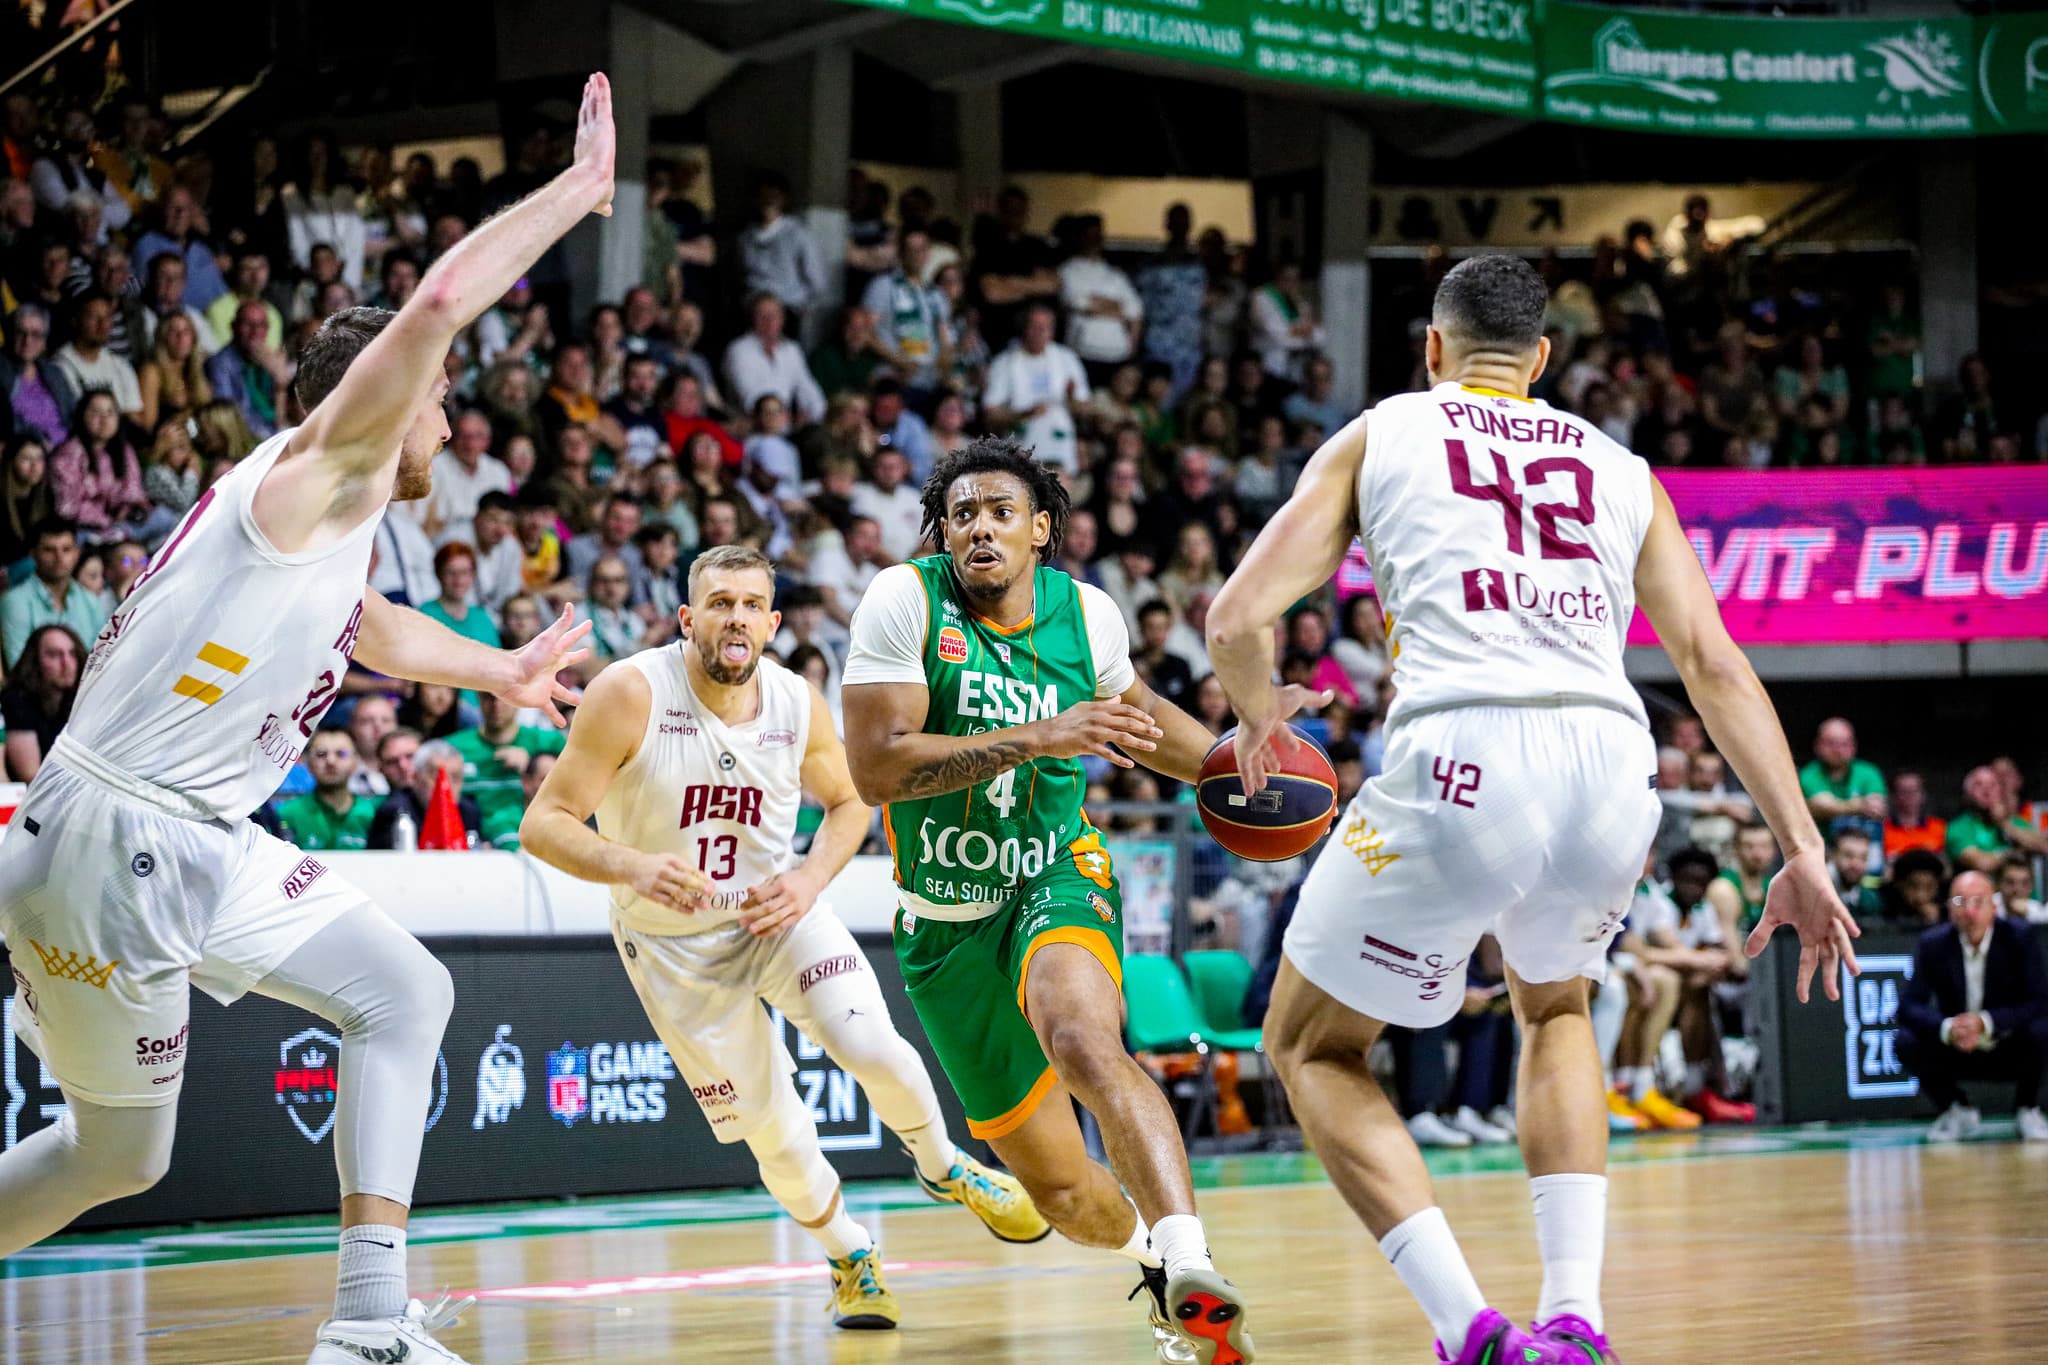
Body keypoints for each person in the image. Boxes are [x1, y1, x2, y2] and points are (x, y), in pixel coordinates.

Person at [0, 72, 615, 1365]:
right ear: (383, 405)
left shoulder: (329, 532)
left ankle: (370, 1324)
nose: (448, 427)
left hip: (153, 835)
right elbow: (438, 302)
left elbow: (376, 632)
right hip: (132, 837)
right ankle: (371, 1328)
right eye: (439, 404)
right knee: (381, 1006)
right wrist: (578, 194)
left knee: (134, 1142)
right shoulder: (319, 473)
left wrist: (498, 672)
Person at [1203, 254, 1855, 1365]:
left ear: (1430, 349)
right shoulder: (1618, 464)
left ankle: (1471, 1333)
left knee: (1308, 1046)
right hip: (1610, 759)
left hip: (1464, 741)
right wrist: (1801, 845)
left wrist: (1262, 714)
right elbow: (1711, 663)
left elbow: (1234, 614)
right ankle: (1576, 1320)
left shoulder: (1385, 431)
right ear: (1542, 359)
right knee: (1554, 1009)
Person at [522, 544, 1046, 1328]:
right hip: (673, 945)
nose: (735, 617)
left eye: (750, 604)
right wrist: (629, 864)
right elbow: (543, 823)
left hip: (778, 915)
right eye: (719, 602)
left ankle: (944, 1166)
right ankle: (850, 1254)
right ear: (688, 618)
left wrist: (806, 880)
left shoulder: (799, 698)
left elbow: (850, 803)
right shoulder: (629, 692)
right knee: (776, 1131)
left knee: (875, 1046)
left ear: (770, 622)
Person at [840, 438, 1253, 1363]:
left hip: (1051, 868)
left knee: (1082, 1036)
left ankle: (1192, 1258)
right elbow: (876, 768)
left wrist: (1245, 759)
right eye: (960, 514)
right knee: (1065, 1195)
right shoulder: (905, 599)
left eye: (998, 512)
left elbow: (1139, 723)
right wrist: (1040, 734)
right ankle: (1153, 1262)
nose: (977, 527)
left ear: (1041, 530)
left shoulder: (1088, 615)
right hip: (943, 922)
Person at [1897, 871, 2048, 1144]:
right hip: (1957, 1047)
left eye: (1978, 902)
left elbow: (2038, 1001)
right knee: (1905, 1041)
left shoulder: (2020, 937)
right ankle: (1957, 1110)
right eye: (1960, 901)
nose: (1969, 911)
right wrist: (1949, 1027)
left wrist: (1986, 1022)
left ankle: (2029, 1108)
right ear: (1949, 908)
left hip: (2007, 1042)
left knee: (2042, 1030)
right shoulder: (1934, 944)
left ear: (1994, 906)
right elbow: (1908, 1006)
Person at [982, 301, 1089, 474]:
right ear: (1023, 328)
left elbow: (1085, 408)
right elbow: (990, 414)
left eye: (1045, 327)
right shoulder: (1004, 362)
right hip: (1020, 452)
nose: (1039, 333)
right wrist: (1024, 414)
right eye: (1034, 326)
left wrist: (1070, 400)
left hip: (1060, 450)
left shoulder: (1067, 359)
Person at [2, 517, 106, 668]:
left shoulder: (91, 601)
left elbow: (100, 662)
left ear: (77, 553)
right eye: (49, 550)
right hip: (35, 691)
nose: (59, 557)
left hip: (89, 689)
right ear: (33, 554)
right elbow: (19, 669)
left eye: (66, 549)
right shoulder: (14, 602)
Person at [0, 622, 85, 782]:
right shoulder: (17, 700)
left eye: (72, 654)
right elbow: (30, 774)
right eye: (54, 655)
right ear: (35, 661)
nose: (67, 663)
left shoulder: (78, 699)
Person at [369, 738, 485, 849]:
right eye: (437, 777)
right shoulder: (395, 813)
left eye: (455, 778)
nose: (447, 786)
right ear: (415, 777)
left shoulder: (469, 812)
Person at [276, 725, 378, 851]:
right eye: (321, 754)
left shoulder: (373, 814)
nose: (330, 761)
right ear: (308, 763)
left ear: (356, 761)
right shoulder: (287, 814)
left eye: (341, 754)